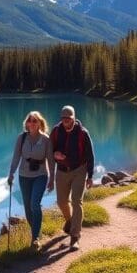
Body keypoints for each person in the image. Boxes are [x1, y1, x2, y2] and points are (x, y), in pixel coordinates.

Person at [7, 111, 55, 250]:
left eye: (35, 121)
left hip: (40, 175)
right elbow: (16, 157)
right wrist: (11, 174)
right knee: (28, 209)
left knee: (35, 203)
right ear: (26, 123)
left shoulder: (46, 140)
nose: (32, 123)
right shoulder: (21, 138)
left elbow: (51, 161)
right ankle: (37, 232)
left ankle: (35, 239)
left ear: (40, 123)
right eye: (30, 120)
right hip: (24, 177)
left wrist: (52, 178)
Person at [51, 105, 95, 251]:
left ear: (74, 118)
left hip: (79, 170)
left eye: (68, 119)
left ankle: (75, 237)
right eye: (63, 119)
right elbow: (50, 150)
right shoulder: (56, 131)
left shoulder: (82, 133)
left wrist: (90, 176)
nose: (66, 122)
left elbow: (90, 155)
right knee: (61, 201)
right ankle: (70, 221)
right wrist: (55, 154)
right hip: (62, 171)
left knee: (77, 201)